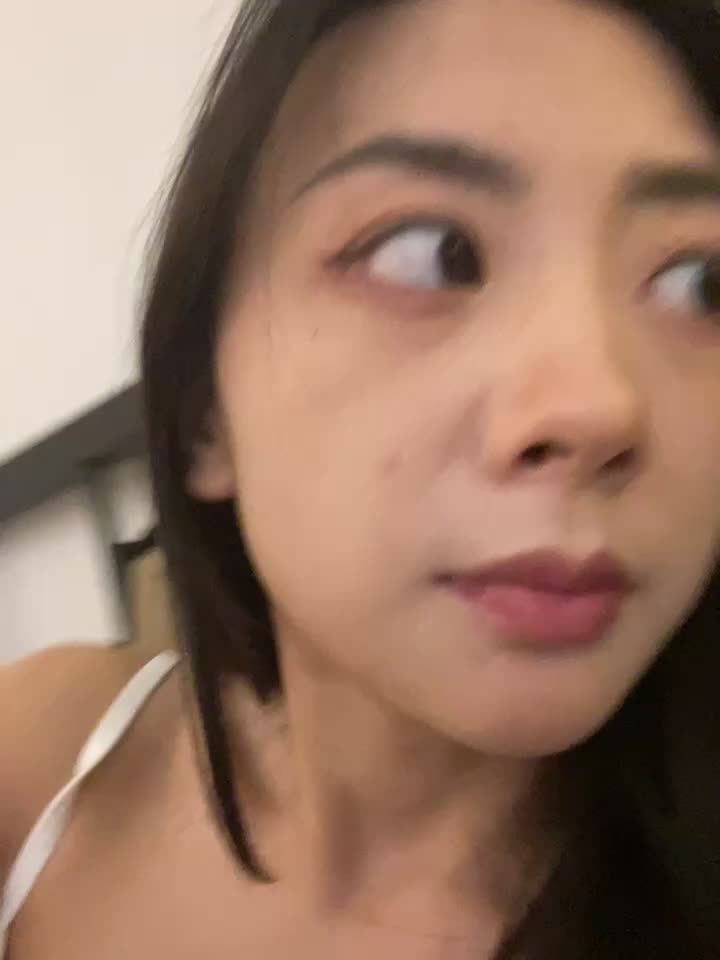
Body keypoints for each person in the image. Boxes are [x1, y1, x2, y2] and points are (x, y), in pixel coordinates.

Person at [2, 0, 720, 955]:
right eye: (431, 254)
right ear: (203, 417)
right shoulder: (40, 758)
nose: (598, 408)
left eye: (700, 282)